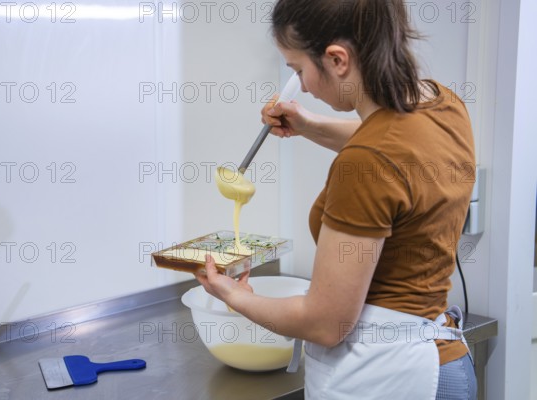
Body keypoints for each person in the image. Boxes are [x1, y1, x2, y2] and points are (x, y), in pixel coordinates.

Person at [195, 0, 477, 398]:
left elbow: (327, 323)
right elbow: (397, 153)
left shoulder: (364, 163)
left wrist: (233, 296)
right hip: (445, 361)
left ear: (337, 59)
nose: (303, 86)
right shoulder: (442, 104)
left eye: (298, 69)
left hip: (389, 375)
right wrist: (309, 126)